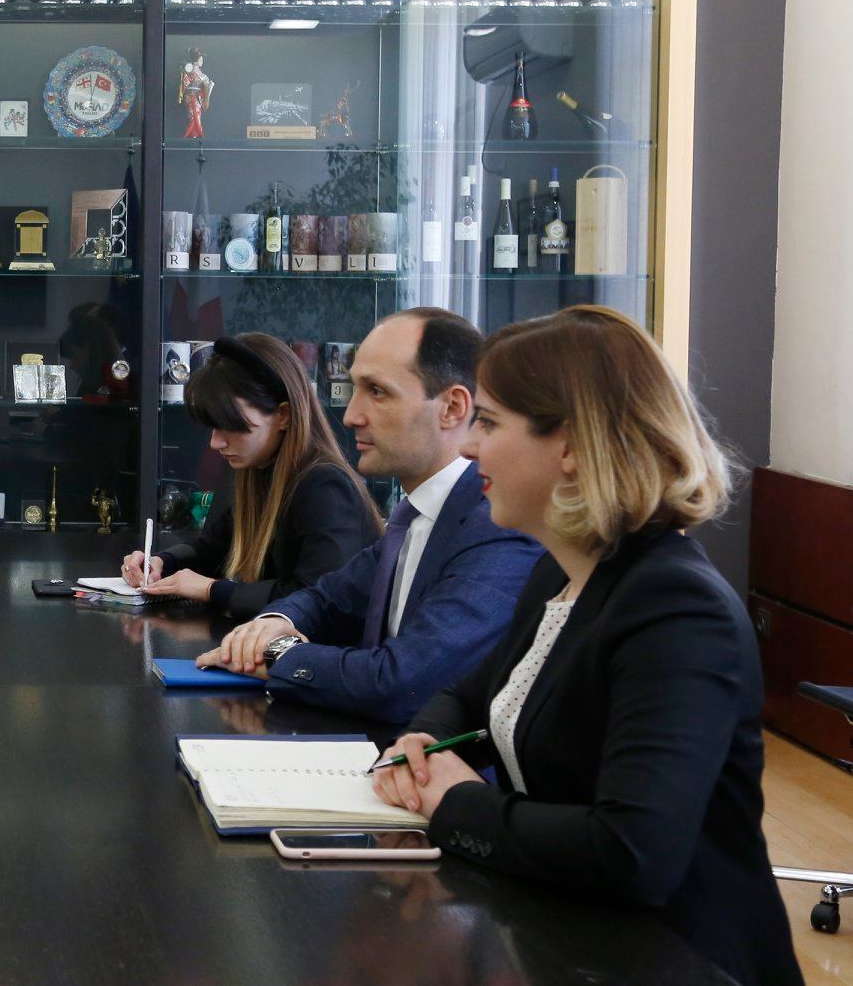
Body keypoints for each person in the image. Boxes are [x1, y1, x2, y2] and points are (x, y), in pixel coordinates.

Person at [371, 305, 801, 986]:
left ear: (570, 445)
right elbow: (472, 696)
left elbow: (633, 853)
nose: (469, 447)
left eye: (489, 423)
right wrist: (421, 742)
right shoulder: (560, 571)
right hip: (570, 939)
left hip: (678, 961)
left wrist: (457, 805)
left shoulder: (676, 609)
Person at [199, 309, 544, 724]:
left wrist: (277, 653)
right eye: (354, 389)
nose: (350, 415)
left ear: (452, 407)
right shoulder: (416, 517)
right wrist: (276, 620)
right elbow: (326, 598)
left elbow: (399, 682)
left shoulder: (495, 524)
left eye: (377, 392)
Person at [122, 334, 381, 619]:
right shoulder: (259, 472)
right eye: (212, 426)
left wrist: (212, 590)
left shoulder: (324, 487)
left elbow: (320, 599)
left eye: (231, 426)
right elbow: (212, 549)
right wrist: (161, 562)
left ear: (283, 415)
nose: (215, 443)